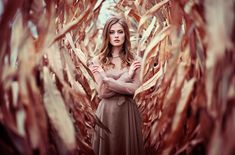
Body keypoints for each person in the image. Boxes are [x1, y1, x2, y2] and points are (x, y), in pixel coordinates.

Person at [89, 17, 145, 155]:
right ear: (107, 35)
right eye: (112, 32)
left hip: (127, 114)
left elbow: (133, 89)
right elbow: (103, 93)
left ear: (126, 34)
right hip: (106, 114)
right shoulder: (97, 61)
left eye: (120, 32)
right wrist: (127, 76)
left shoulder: (135, 60)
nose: (116, 36)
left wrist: (105, 78)